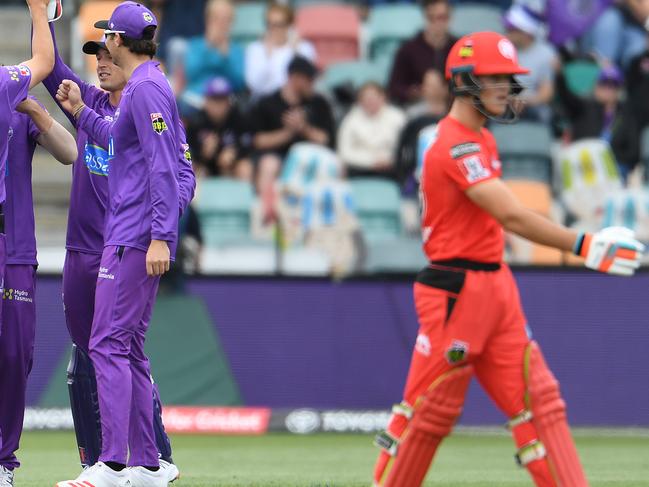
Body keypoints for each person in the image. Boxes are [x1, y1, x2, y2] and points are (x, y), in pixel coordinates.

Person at [372, 31, 644, 487]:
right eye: (495, 79)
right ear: (464, 80)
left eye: (508, 79)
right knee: (429, 413)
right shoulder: (453, 145)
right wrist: (585, 244)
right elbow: (511, 214)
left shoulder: (481, 140)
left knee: (541, 402)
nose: (506, 88)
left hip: (495, 288)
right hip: (455, 293)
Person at [41, 15, 193, 482]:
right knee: (124, 348)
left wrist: (161, 235)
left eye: (107, 39)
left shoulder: (146, 89)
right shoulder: (147, 84)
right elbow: (117, 139)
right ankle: (147, 463)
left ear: (120, 40)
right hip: (123, 237)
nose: (103, 50)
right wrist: (80, 112)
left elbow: (171, 170)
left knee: (107, 344)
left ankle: (110, 463)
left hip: (131, 238)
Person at [0, 98, 77, 487]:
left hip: (14, 250)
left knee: (15, 355)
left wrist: (33, 110)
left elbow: (69, 152)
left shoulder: (14, 102)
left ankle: (2, 462)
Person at [0, 2, 55, 485]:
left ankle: (2, 463)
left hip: (8, 241)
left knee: (15, 355)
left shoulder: (3, 84)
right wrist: (39, 9)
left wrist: (41, 12)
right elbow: (41, 58)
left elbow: (41, 61)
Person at [250, 55, 335, 195]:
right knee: (269, 164)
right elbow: (257, 140)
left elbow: (326, 139)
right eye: (309, 79)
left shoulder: (319, 103)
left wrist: (303, 128)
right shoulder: (267, 103)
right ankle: (266, 211)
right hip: (278, 156)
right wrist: (288, 133)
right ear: (295, 78)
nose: (313, 84)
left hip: (311, 157)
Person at [387, 0, 456, 105]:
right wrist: (416, 92)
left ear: (450, 18)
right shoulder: (408, 49)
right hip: (419, 106)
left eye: (442, 17)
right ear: (424, 17)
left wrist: (448, 91)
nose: (437, 23)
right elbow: (394, 88)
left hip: (452, 106)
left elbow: (471, 84)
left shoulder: (460, 48)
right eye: (431, 18)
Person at [179, 0, 244, 111]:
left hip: (224, 99)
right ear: (208, 19)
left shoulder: (236, 49)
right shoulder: (196, 45)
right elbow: (191, 74)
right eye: (216, 18)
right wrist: (208, 47)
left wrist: (225, 56)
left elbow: (239, 83)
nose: (221, 24)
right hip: (196, 98)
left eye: (226, 19)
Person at [185, 76, 253, 180]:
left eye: (222, 100)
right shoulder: (196, 121)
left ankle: (241, 196)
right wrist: (203, 154)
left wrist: (234, 153)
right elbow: (187, 151)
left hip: (231, 165)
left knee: (245, 167)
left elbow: (248, 143)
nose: (218, 106)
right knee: (193, 170)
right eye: (214, 100)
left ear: (229, 102)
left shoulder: (238, 118)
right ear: (206, 101)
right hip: (205, 166)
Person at [245, 2, 316, 100]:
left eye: (279, 24)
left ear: (290, 25)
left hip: (296, 101)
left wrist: (296, 53)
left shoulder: (304, 48)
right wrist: (267, 57)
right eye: (270, 24)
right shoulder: (255, 49)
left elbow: (307, 81)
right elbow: (253, 84)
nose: (273, 29)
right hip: (264, 103)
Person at [337, 82, 406, 179]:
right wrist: (371, 162)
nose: (370, 102)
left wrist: (389, 160)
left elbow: (404, 148)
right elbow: (344, 151)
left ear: (383, 97)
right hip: (359, 168)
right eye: (366, 99)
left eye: (374, 97)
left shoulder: (398, 117)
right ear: (360, 101)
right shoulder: (351, 119)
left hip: (390, 167)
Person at [503, 4, 557, 123]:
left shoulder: (546, 53)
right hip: (501, 100)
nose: (507, 32)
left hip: (530, 106)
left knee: (541, 114)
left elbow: (547, 92)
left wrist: (524, 101)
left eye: (512, 29)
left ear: (526, 32)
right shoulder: (502, 48)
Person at [395, 69, 449, 188]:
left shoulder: (455, 118)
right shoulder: (413, 118)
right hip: (417, 183)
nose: (427, 88)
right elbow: (402, 150)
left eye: (433, 85)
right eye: (426, 85)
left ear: (445, 88)